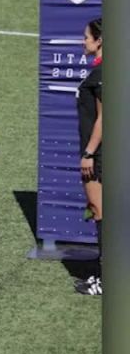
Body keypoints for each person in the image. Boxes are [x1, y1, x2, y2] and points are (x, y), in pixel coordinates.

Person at [74, 18, 103, 296]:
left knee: (100, 212)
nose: (83, 41)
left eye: (86, 37)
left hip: (99, 156)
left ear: (99, 41)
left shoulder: (101, 74)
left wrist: (89, 153)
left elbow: (103, 119)